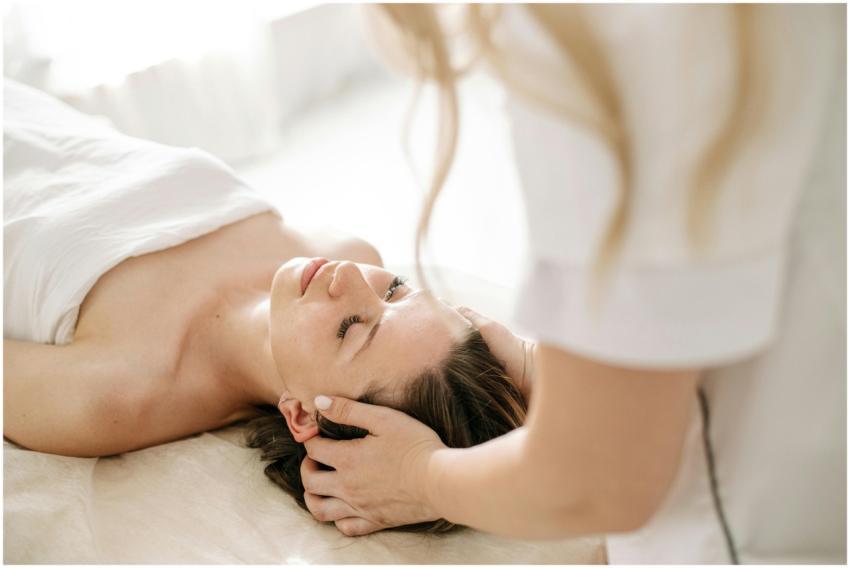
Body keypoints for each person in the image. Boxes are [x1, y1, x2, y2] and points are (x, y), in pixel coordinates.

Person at [295, 4, 846, 563]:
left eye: (395, 289)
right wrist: (557, 371)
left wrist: (420, 477)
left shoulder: (590, 44)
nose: (349, 275)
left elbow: (599, 482)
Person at [3, 79, 529, 532]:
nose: (349, 277)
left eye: (350, 328)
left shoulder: (114, 396)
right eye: (396, 289)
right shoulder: (349, 251)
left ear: (301, 414)